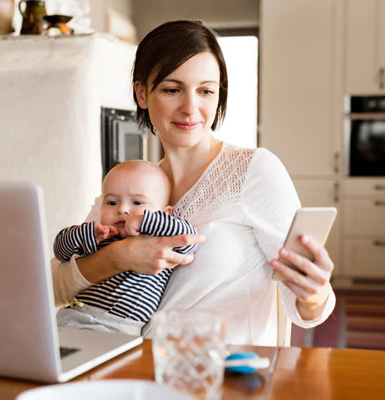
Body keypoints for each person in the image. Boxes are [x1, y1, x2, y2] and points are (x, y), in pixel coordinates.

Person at [51, 20, 336, 345]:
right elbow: (55, 287)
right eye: (172, 90)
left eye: (206, 91)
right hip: (131, 370)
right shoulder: (129, 185)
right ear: (142, 93)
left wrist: (314, 294)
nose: (191, 108)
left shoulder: (254, 170)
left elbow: (305, 308)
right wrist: (121, 257)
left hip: (219, 378)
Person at [54, 160, 198, 337]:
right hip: (75, 318)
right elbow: (60, 251)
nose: (122, 209)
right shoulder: (102, 236)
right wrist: (87, 232)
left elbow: (189, 239)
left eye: (137, 202)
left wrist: (145, 220)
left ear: (165, 213)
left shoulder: (162, 239)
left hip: (121, 329)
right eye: (112, 202)